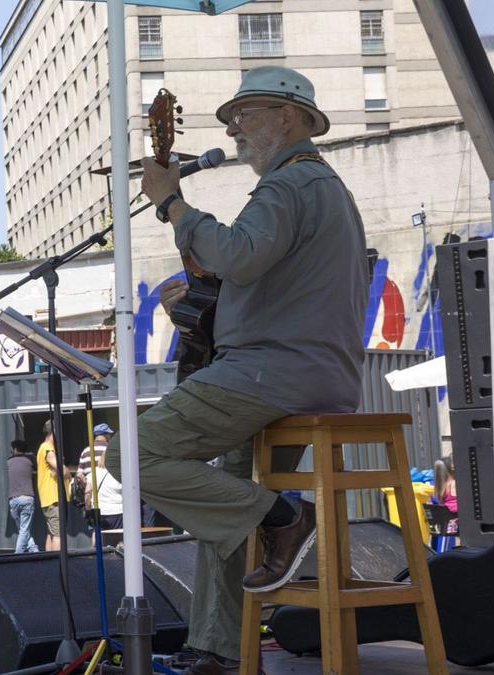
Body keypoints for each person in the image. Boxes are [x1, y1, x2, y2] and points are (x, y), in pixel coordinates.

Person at [108, 66, 367, 675]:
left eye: (244, 114)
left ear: (288, 116)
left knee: (132, 452)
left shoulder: (288, 186)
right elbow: (256, 273)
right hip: (309, 371)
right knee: (228, 503)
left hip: (271, 372)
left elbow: (239, 255)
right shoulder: (321, 188)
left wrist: (172, 202)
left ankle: (283, 516)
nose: (233, 127)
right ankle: (217, 647)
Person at [36, 419, 66, 552]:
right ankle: (59, 562)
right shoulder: (47, 448)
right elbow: (61, 469)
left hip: (48, 499)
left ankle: (49, 561)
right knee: (59, 534)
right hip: (53, 498)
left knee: (51, 533)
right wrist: (66, 472)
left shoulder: (44, 447)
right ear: (54, 432)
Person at [6, 440, 39, 554]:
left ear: (15, 449)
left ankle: (34, 550)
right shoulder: (30, 459)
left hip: (13, 500)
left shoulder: (9, 461)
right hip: (27, 498)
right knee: (24, 530)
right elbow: (37, 467)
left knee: (23, 529)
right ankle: (18, 554)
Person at [86, 459, 124, 536]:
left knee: (97, 536)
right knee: (118, 539)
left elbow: (87, 491)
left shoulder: (95, 472)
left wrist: (88, 509)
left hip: (99, 511)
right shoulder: (118, 472)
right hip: (118, 512)